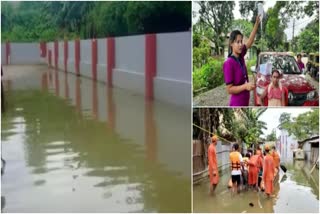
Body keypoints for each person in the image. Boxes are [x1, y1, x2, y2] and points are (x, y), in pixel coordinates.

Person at [223, 15, 261, 106]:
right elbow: (229, 89)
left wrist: (256, 24)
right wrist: (245, 86)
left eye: (241, 41)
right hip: (237, 103)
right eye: (237, 42)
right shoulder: (228, 63)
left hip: (245, 101)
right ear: (231, 43)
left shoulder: (241, 55)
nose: (240, 45)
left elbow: (250, 40)